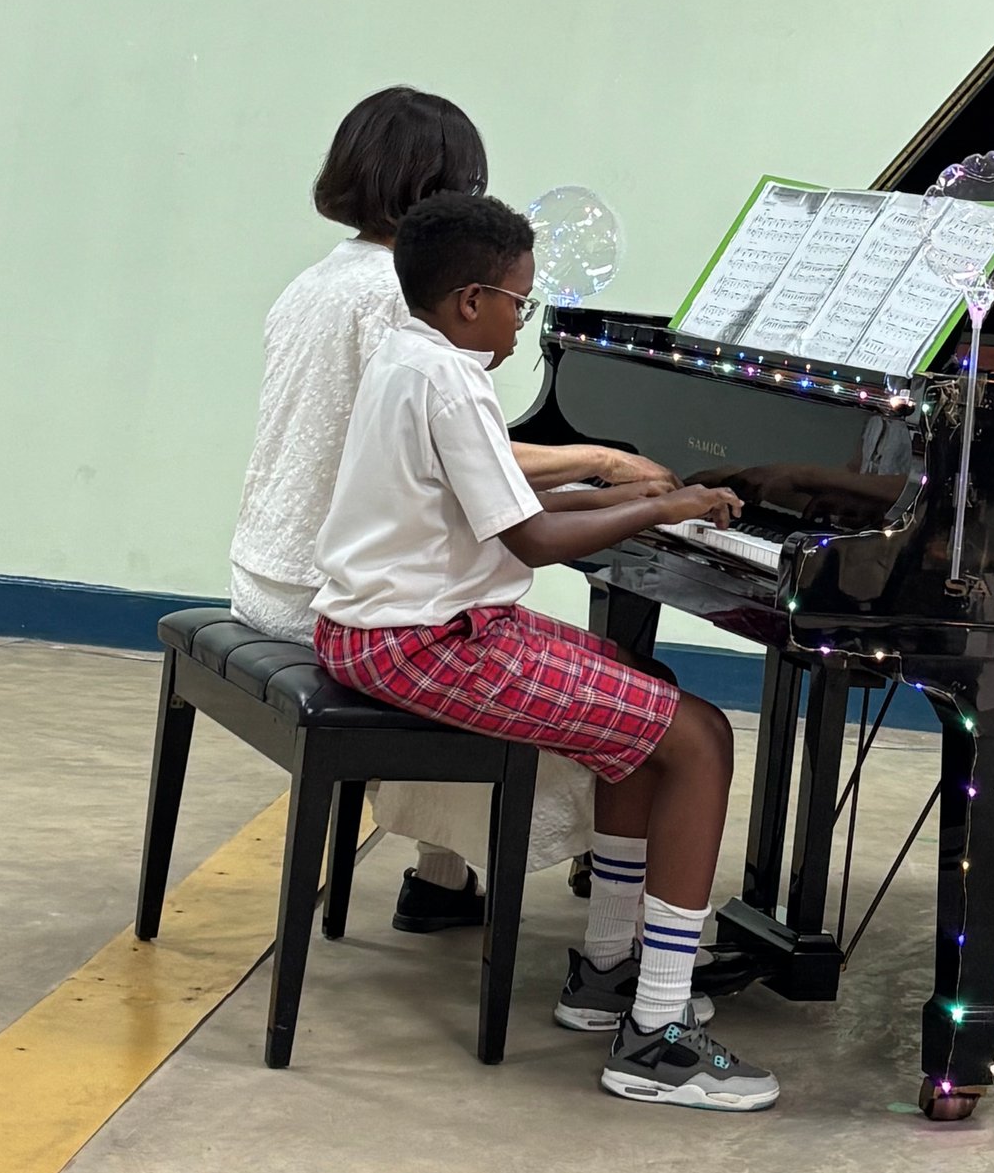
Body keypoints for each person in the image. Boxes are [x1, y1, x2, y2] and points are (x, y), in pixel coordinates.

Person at [312, 193, 780, 1111]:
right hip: (427, 641)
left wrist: (651, 499)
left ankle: (610, 968)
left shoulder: (412, 356)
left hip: (387, 628)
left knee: (647, 697)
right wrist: (660, 507)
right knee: (700, 737)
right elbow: (527, 540)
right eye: (520, 301)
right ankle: (655, 1033)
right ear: (470, 299)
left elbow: (513, 510)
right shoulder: (447, 378)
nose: (526, 317)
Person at [228, 87, 675, 931]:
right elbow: (475, 458)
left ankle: (441, 877)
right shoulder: (394, 299)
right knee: (487, 627)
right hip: (322, 592)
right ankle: (606, 915)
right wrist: (606, 460)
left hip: (264, 565)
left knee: (462, 587)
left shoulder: (318, 278)